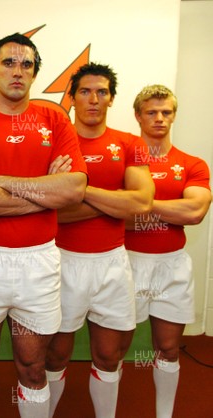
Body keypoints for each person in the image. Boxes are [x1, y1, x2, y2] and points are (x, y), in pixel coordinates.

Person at [0, 34, 88, 418]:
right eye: (9, 63)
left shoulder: (55, 119)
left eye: (26, 65)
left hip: (39, 261)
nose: (18, 71)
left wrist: (5, 181)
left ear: (34, 74)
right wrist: (44, 189)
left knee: (32, 369)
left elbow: (75, 189)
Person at [44, 63, 154, 418]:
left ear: (111, 99)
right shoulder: (54, 145)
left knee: (109, 356)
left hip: (112, 262)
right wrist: (114, 200)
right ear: (72, 98)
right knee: (55, 354)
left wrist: (80, 191)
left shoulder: (129, 143)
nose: (94, 99)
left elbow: (141, 202)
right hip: (62, 260)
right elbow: (51, 213)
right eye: (85, 92)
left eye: (102, 92)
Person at [125, 85, 211, 418]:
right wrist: (170, 209)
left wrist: (141, 204)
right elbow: (118, 219)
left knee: (169, 348)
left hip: (172, 265)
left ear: (174, 115)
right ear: (138, 116)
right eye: (151, 112)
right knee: (113, 350)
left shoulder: (192, 163)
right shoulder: (125, 163)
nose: (160, 118)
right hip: (127, 262)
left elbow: (194, 213)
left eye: (166, 112)